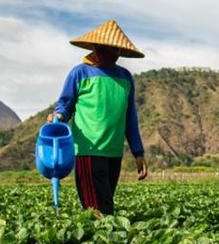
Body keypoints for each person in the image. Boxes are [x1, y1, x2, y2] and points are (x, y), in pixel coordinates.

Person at [49, 19, 148, 215]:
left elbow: (130, 117)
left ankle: (105, 232)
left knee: (105, 203)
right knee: (98, 209)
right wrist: (59, 116)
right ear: (96, 48)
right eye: (108, 49)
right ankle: (105, 234)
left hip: (114, 152)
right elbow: (66, 104)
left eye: (116, 50)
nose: (113, 55)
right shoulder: (80, 73)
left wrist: (138, 152)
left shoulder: (125, 77)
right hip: (88, 150)